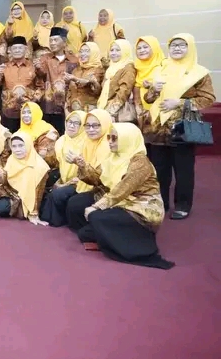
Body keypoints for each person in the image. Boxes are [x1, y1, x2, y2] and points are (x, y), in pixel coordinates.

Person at [68, 123, 174, 269]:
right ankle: (106, 232)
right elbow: (96, 179)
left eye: (115, 138)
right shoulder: (113, 157)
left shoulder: (140, 163)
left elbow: (123, 189)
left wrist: (97, 207)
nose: (110, 142)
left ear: (127, 139)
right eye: (109, 137)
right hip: (115, 199)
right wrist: (82, 166)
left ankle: (133, 242)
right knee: (76, 206)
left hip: (139, 207)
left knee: (95, 217)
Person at [142, 33, 216, 219]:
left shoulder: (199, 72)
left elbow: (208, 98)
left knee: (183, 170)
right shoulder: (161, 69)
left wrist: (180, 102)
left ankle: (183, 205)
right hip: (158, 128)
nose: (177, 48)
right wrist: (153, 90)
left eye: (182, 45)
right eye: (173, 45)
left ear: (190, 48)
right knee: (159, 169)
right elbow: (148, 99)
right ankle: (161, 202)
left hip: (182, 126)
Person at [63, 109, 113, 228]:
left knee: (74, 202)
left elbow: (101, 178)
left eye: (95, 125)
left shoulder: (109, 145)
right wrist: (79, 164)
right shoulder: (88, 141)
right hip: (87, 182)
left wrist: (82, 165)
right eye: (87, 125)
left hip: (106, 189)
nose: (90, 129)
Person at [0, 132, 49, 225]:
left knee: (0, 208)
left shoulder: (40, 166)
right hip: (11, 194)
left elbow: (38, 192)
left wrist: (33, 213)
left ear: (28, 145)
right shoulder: (12, 159)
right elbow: (7, 183)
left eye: (21, 146)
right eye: (14, 146)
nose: (17, 150)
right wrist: (1, 176)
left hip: (25, 200)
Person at [41, 111, 86, 226]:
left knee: (57, 194)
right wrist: (47, 149)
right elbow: (54, 161)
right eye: (69, 122)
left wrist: (68, 183)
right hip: (63, 178)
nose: (71, 126)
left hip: (81, 181)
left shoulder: (87, 143)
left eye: (76, 123)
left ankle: (59, 220)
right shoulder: (62, 140)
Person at [36, 27, 79, 134]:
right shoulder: (45, 58)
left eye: (55, 40)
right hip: (49, 106)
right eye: (50, 40)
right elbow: (41, 75)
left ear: (64, 42)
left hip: (67, 105)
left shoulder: (74, 60)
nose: (52, 43)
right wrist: (38, 68)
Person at [0, 35, 43, 133]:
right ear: (10, 50)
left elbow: (40, 86)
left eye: (20, 48)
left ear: (26, 49)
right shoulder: (4, 67)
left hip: (28, 113)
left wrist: (34, 100)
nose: (17, 50)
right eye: (14, 48)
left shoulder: (33, 67)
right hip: (9, 112)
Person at [97, 39, 137, 122]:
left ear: (125, 51)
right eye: (112, 50)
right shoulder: (110, 68)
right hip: (105, 107)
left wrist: (111, 111)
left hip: (117, 112)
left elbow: (124, 90)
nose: (113, 53)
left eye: (118, 50)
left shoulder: (128, 68)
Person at [66, 41, 105, 112]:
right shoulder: (76, 70)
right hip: (73, 112)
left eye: (87, 51)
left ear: (94, 53)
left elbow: (97, 91)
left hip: (89, 111)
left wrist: (75, 79)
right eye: (81, 51)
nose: (83, 54)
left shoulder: (98, 70)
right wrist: (67, 106)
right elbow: (70, 91)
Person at [18, 101, 59, 169]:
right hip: (24, 165)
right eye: (23, 112)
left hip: (43, 167)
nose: (26, 115)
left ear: (36, 113)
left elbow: (48, 155)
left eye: (29, 112)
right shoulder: (20, 131)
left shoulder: (46, 129)